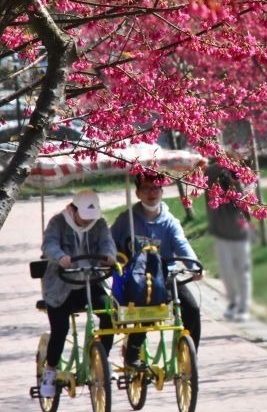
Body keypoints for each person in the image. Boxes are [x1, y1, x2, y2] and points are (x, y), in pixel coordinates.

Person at [111, 172, 202, 367]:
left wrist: (194, 267)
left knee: (192, 309)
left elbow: (181, 244)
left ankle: (190, 356)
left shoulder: (170, 222)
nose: (151, 193)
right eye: (146, 189)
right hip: (136, 278)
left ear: (162, 191)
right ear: (137, 193)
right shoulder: (126, 220)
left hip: (165, 276)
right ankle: (132, 353)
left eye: (155, 188)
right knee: (148, 309)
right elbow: (110, 244)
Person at [40, 190, 117, 397]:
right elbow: (49, 244)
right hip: (61, 284)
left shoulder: (99, 224)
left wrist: (109, 256)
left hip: (90, 281)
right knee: (60, 328)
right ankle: (50, 370)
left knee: (109, 315)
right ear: (73, 210)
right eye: (84, 216)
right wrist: (60, 256)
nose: (88, 221)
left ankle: (101, 361)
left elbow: (107, 243)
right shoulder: (58, 222)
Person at [204, 160, 253, 322]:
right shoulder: (210, 172)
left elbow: (248, 203)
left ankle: (244, 306)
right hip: (221, 232)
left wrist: (237, 181)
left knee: (242, 271)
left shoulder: (241, 175)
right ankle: (233, 302)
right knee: (226, 272)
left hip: (239, 233)